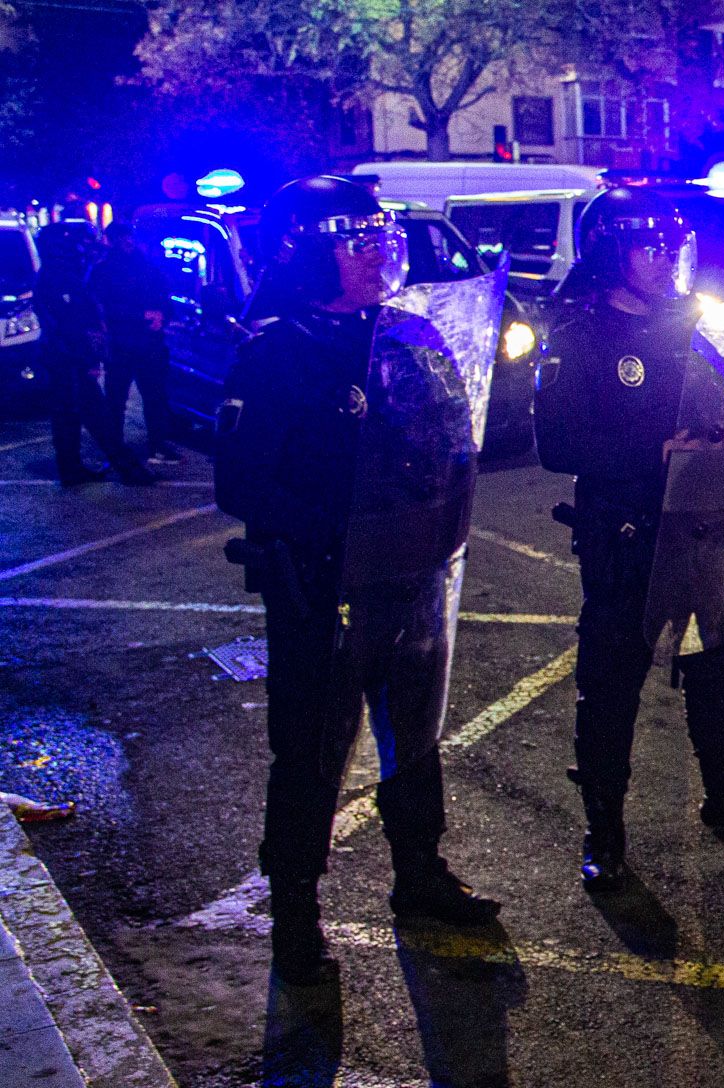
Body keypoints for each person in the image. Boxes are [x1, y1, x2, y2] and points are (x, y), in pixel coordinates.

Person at [214, 176, 499, 986]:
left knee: (415, 737)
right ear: (309, 256)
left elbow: (450, 438)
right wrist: (330, 522)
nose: (377, 254)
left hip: (411, 575)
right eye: (356, 242)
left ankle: (421, 873)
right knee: (309, 754)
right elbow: (239, 483)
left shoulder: (411, 336)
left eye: (382, 239)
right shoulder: (273, 357)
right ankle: (296, 913)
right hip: (321, 588)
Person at [536, 186, 724, 893]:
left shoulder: (690, 327)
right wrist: (651, 451)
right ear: (609, 254)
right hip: (624, 532)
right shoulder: (581, 334)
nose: (664, 259)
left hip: (701, 519)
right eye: (647, 247)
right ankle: (605, 824)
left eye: (671, 246)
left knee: (713, 658)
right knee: (613, 680)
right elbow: (557, 441)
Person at [33, 221, 155, 487]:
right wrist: (87, 359)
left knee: (69, 417)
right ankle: (128, 469)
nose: (87, 250)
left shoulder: (63, 275)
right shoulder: (58, 278)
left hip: (64, 357)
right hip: (67, 359)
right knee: (95, 416)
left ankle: (72, 470)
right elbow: (70, 325)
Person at [91, 222, 179, 463]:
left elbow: (164, 296)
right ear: (111, 241)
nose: (127, 242)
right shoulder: (103, 271)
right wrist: (140, 316)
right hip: (121, 343)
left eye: (129, 237)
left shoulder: (148, 267)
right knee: (116, 399)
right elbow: (102, 309)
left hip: (150, 342)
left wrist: (162, 315)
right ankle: (115, 447)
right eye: (121, 238)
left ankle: (158, 444)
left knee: (155, 395)